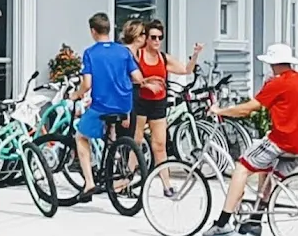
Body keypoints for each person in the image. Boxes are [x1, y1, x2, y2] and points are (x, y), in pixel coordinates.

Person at [201, 43, 298, 236]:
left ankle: (222, 222)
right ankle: (255, 220)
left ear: (273, 64)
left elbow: (248, 108)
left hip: (281, 141)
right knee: (266, 172)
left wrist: (221, 111)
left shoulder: (278, 83)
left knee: (241, 168)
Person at [68, 12, 158, 203]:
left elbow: (87, 84)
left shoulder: (90, 53)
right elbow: (137, 77)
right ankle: (114, 158)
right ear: (109, 30)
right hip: (124, 105)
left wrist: (76, 94)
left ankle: (89, 183)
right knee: (113, 135)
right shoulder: (123, 52)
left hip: (102, 105)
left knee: (81, 137)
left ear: (93, 31)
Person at [132, 20, 203, 189]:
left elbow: (186, 70)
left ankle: (166, 184)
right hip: (140, 101)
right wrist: (145, 83)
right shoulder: (138, 55)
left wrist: (195, 55)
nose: (157, 41)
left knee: (160, 145)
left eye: (160, 37)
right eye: (153, 37)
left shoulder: (163, 58)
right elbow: (130, 76)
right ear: (146, 38)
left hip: (158, 102)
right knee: (137, 141)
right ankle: (127, 178)